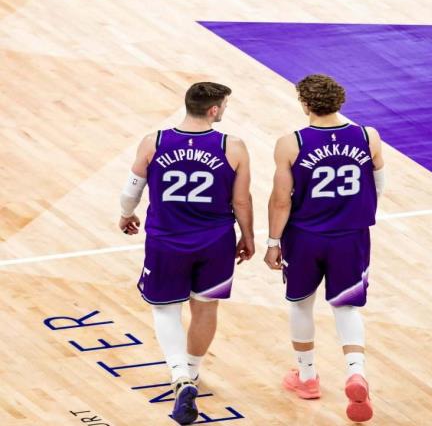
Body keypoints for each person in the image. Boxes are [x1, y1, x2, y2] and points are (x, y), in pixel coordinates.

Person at [118, 82, 254, 425]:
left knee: (165, 309)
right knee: (205, 307)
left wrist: (126, 214)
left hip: (166, 241)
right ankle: (192, 371)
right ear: (213, 110)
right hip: (215, 242)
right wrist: (249, 235)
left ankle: (180, 376)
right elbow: (241, 200)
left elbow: (132, 189)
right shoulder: (233, 146)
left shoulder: (154, 141)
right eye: (224, 105)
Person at [264, 74, 384, 422]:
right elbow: (378, 185)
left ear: (305, 103)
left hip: (305, 237)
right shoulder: (368, 136)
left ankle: (307, 377)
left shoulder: (291, 143)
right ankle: (355, 372)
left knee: (301, 304)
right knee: (347, 307)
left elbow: (281, 200)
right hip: (350, 236)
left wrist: (273, 242)